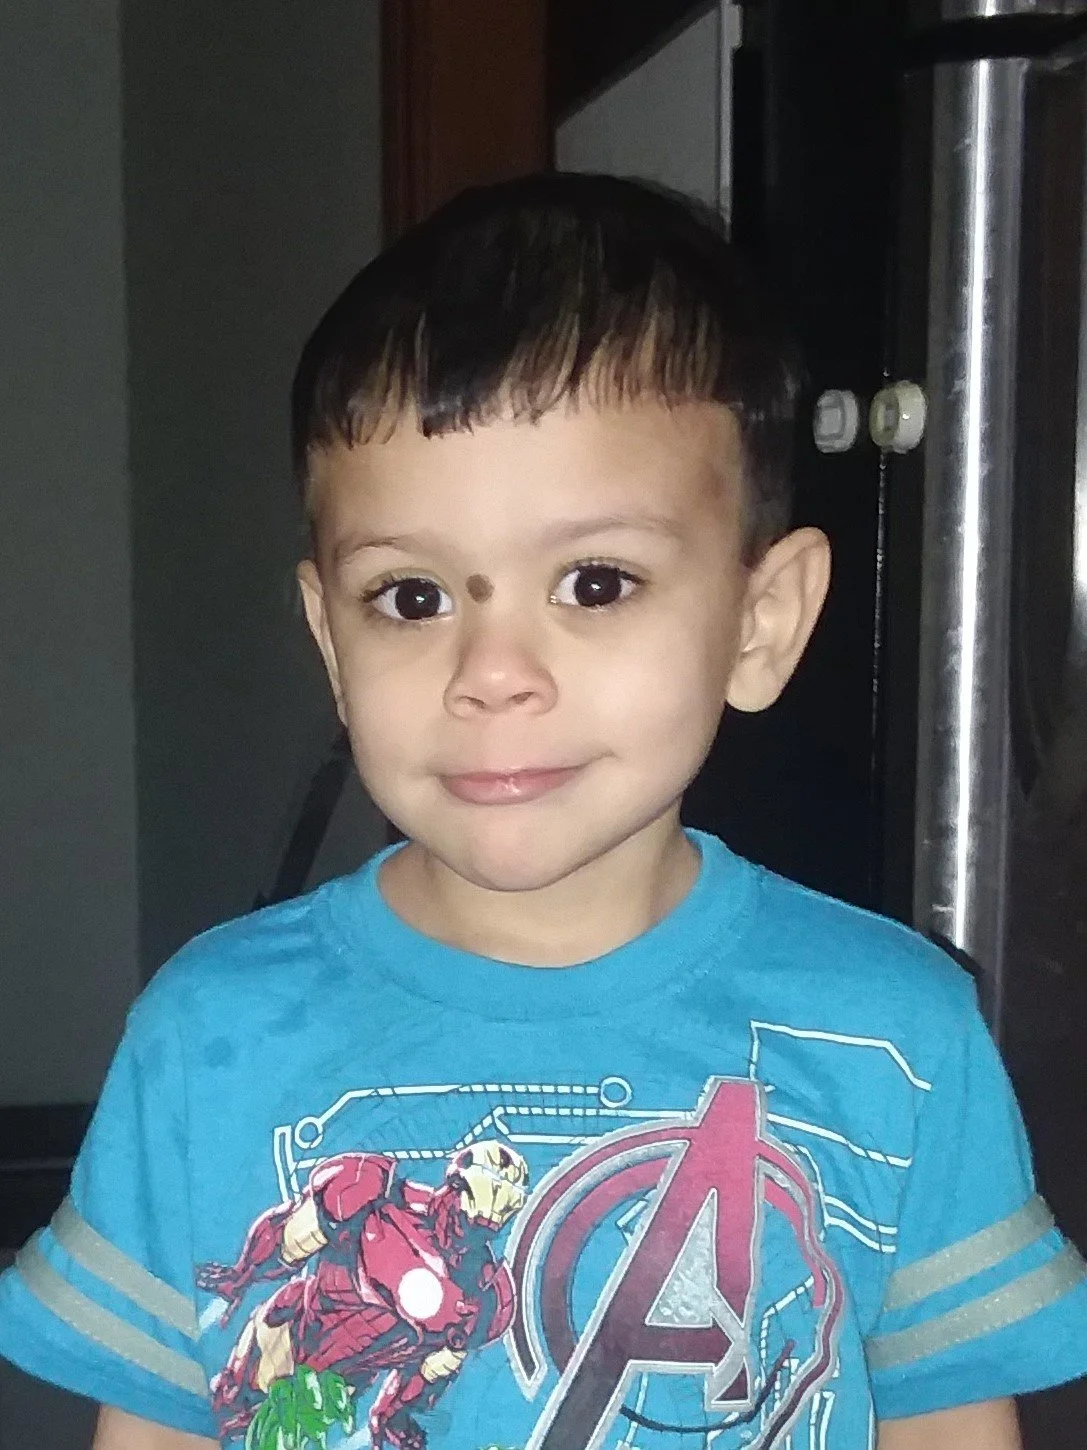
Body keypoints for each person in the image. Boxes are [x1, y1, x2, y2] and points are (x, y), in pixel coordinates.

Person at [1, 174, 1084, 1450]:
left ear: (760, 620)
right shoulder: (207, 1036)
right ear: (331, 642)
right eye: (411, 598)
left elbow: (952, 1423)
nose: (492, 673)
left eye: (595, 581)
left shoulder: (897, 1034)